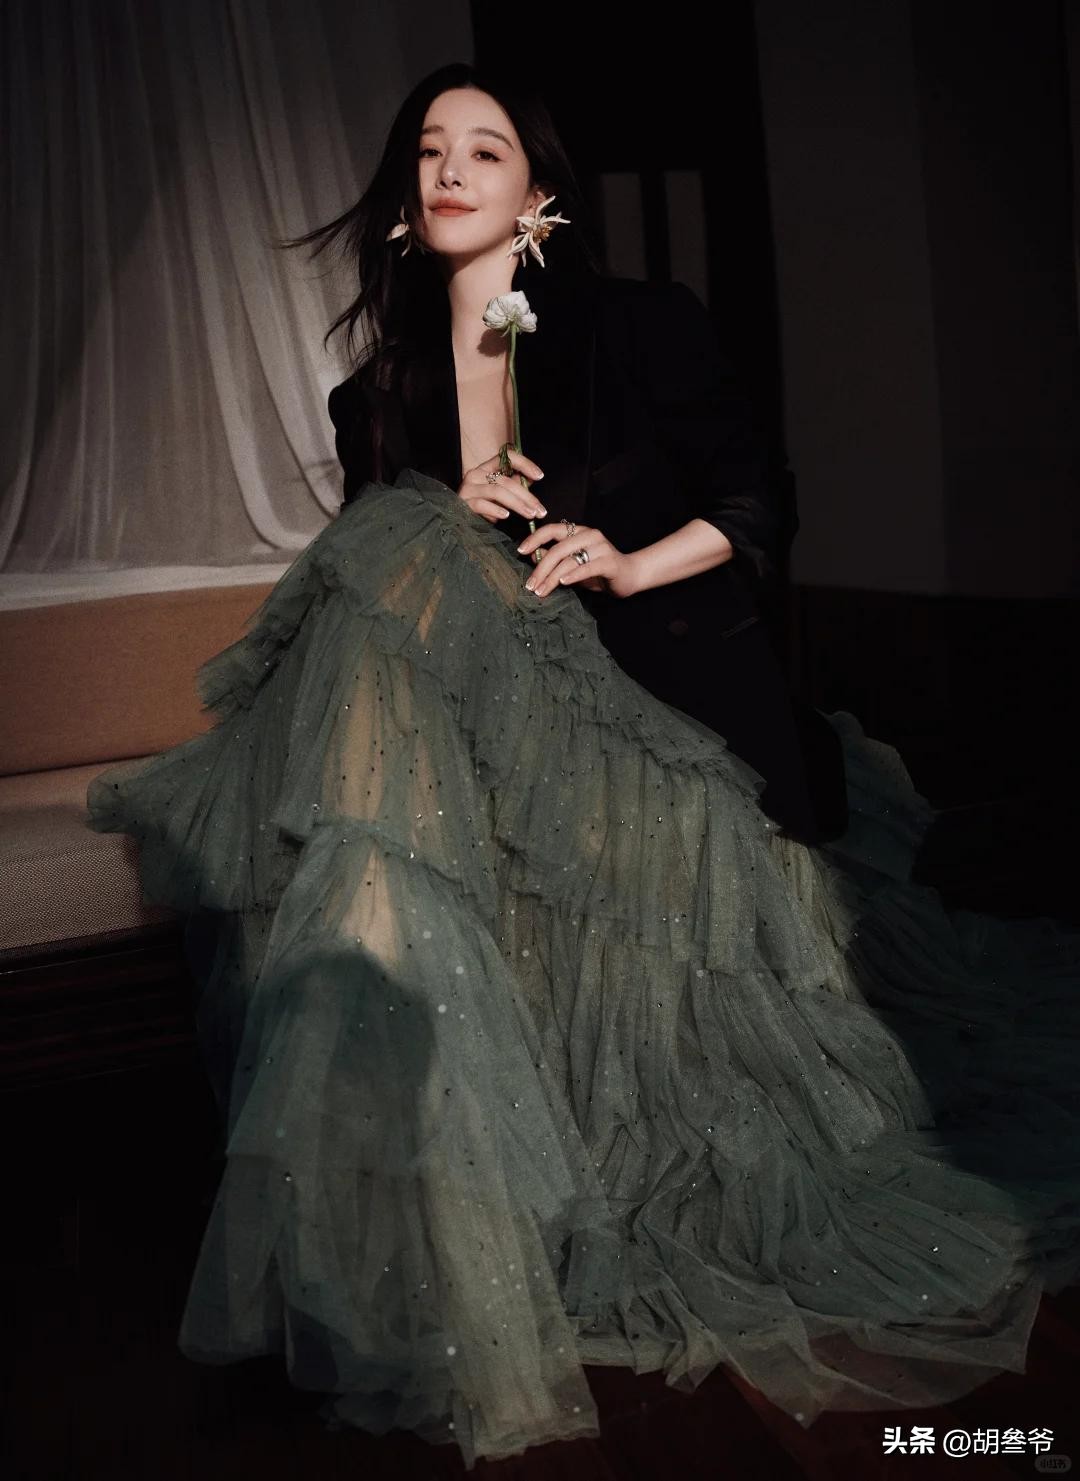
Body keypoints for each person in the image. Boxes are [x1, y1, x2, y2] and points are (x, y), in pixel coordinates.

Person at [85, 61, 1080, 1472]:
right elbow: (391, 597)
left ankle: (389, 1013)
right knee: (396, 543)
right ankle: (418, 1180)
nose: (449, 168)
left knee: (398, 554)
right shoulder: (378, 391)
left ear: (539, 194)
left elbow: (758, 500)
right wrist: (445, 508)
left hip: (657, 707)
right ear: (402, 194)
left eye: (485, 150)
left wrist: (620, 557)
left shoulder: (632, 324)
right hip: (482, 746)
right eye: (428, 149)